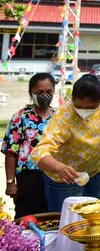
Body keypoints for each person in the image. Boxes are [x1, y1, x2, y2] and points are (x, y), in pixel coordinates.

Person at [31, 75, 100, 212]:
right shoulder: (64, 117)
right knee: (68, 224)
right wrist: (60, 168)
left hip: (97, 170)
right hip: (66, 180)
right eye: (78, 106)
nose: (83, 111)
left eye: (91, 107)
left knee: (95, 216)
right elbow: (38, 153)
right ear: (72, 98)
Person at [2, 73, 55, 219]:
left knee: (53, 220)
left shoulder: (59, 118)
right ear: (31, 93)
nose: (44, 95)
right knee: (26, 221)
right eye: (39, 93)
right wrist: (10, 182)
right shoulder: (20, 117)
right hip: (28, 179)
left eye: (48, 92)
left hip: (55, 178)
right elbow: (11, 152)